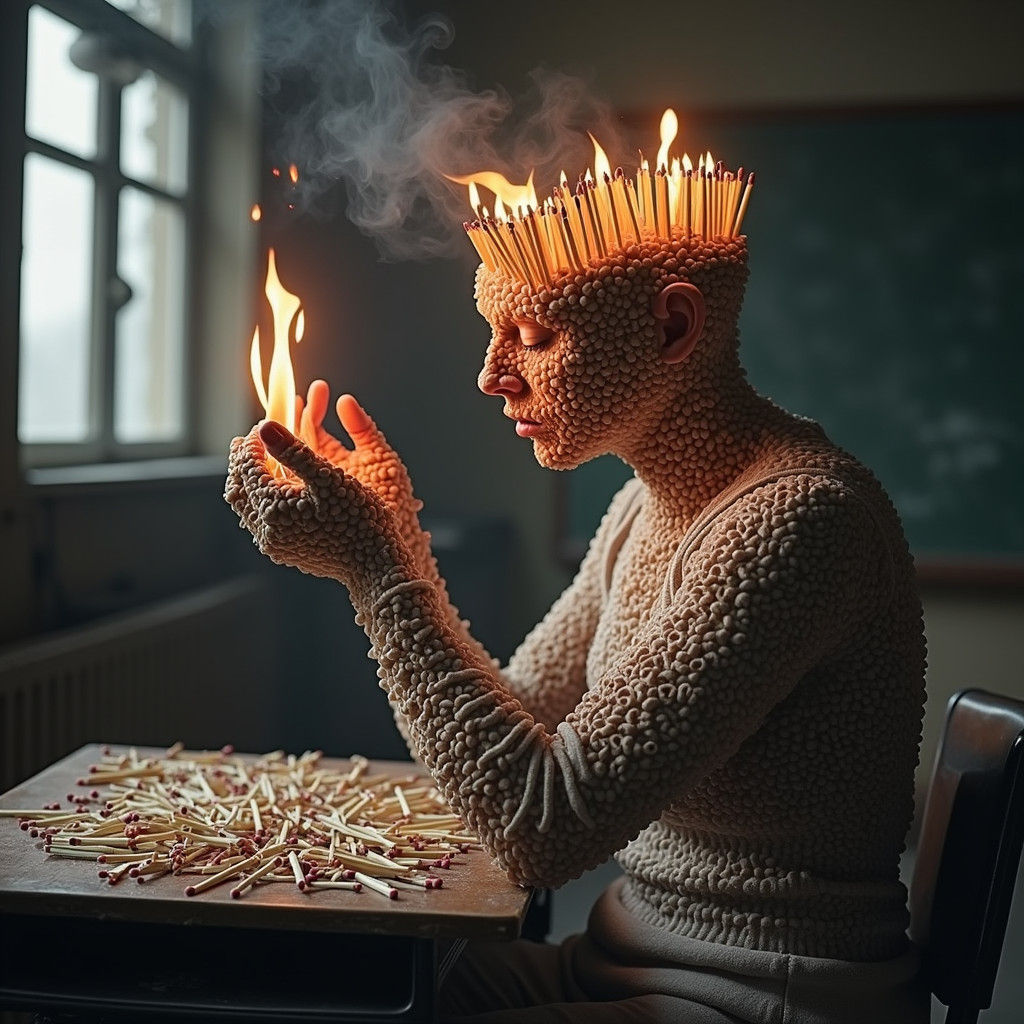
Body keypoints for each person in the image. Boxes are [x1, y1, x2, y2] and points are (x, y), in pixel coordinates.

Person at [225, 232, 929, 1022]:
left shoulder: (800, 519)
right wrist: (399, 540)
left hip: (762, 992)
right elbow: (522, 709)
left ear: (672, 329)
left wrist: (376, 570)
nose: (492, 376)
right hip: (619, 962)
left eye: (534, 337)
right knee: (311, 989)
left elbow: (542, 831)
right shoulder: (643, 507)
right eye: (493, 331)